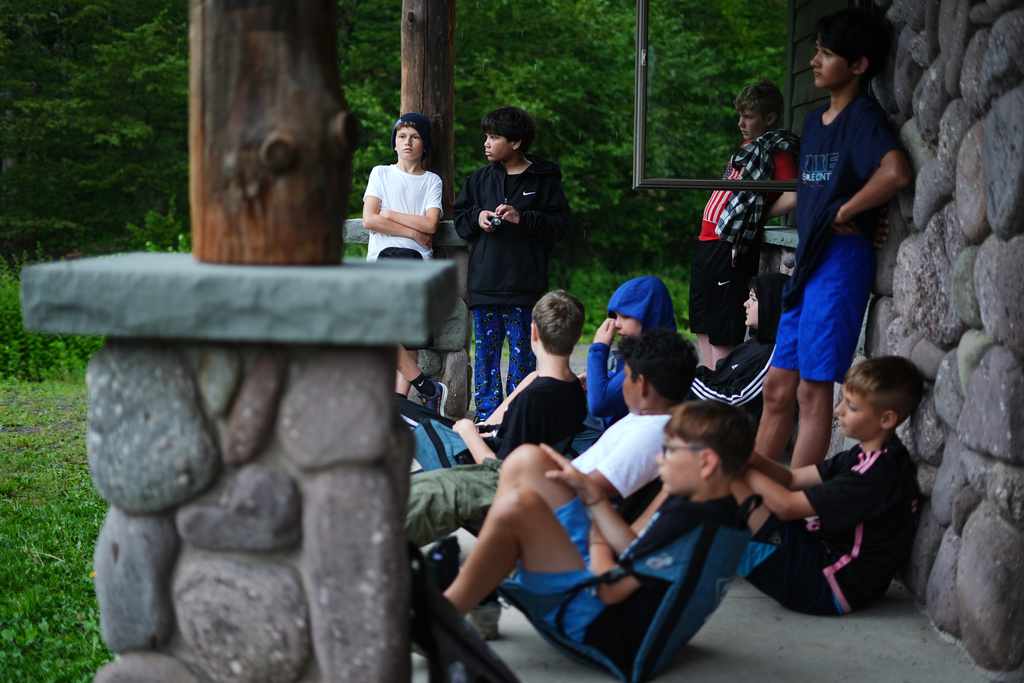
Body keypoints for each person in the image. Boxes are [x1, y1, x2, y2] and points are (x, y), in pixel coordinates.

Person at [442, 401, 753, 668]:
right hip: (613, 596)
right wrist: (592, 498)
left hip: (600, 629)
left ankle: (441, 618)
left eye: (669, 451)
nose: (659, 459)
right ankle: (482, 585)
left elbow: (609, 591)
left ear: (706, 462)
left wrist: (596, 533)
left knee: (516, 507)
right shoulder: (713, 507)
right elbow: (638, 552)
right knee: (528, 460)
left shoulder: (688, 527)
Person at [756, 9, 912, 469]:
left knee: (812, 390)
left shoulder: (863, 117)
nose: (814, 61)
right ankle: (751, 496)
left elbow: (896, 171)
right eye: (816, 50)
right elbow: (810, 190)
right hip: (807, 264)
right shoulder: (812, 123)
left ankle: (790, 507)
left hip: (841, 264)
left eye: (827, 53)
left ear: (859, 65)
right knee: (777, 387)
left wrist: (847, 209)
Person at [405, 327, 697, 548]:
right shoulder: (648, 420)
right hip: (539, 490)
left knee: (440, 491)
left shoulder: (648, 435)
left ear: (642, 385)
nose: (620, 387)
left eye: (626, 377)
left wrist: (535, 467)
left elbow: (590, 491)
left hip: (544, 506)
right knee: (427, 487)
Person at [732, 356, 924, 615]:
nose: (838, 410)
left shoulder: (875, 476)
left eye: (852, 406)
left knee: (725, 486)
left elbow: (787, 506)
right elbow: (792, 479)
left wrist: (731, 466)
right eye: (843, 399)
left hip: (827, 586)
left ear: (887, 419)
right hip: (825, 557)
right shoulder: (873, 454)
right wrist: (747, 457)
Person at [405, 290, 588, 539]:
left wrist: (470, 433)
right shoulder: (575, 391)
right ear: (577, 336)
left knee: (421, 429)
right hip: (513, 469)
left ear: (533, 332)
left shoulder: (536, 400)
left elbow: (500, 473)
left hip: (489, 483)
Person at [454, 106, 572, 421]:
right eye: (487, 136)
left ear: (516, 142)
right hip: (486, 285)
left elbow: (560, 225)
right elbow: (460, 218)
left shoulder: (544, 179)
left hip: (525, 287)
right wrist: (477, 217)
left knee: (523, 360)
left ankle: (519, 417)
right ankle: (487, 419)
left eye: (494, 137)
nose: (486, 143)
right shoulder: (479, 178)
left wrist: (523, 218)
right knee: (486, 359)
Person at [690, 79, 798, 370]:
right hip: (708, 242)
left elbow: (793, 195)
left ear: (770, 118)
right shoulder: (749, 147)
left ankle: (724, 391)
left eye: (748, 117)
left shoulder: (778, 149)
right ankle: (710, 384)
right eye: (740, 116)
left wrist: (757, 217)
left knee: (723, 325)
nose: (741, 122)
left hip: (730, 246)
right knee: (703, 319)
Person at [362, 113, 448, 414]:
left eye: (414, 136)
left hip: (416, 265)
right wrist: (413, 231)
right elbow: (369, 218)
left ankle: (402, 405)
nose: (407, 142)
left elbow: (432, 224)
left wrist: (390, 215)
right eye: (401, 137)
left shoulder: (431, 180)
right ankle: (427, 387)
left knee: (407, 336)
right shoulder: (381, 174)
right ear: (394, 144)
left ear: (425, 145)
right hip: (382, 263)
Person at [687, 272, 789, 420]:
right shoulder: (754, 344)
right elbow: (717, 377)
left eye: (753, 299)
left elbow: (733, 401)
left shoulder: (772, 355)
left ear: (771, 305)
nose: (745, 303)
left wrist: (685, 380)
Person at [584, 276, 677, 425]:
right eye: (615, 316)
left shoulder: (655, 357)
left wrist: (598, 348)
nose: (616, 324)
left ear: (650, 315)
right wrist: (603, 379)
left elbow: (599, 406)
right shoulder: (650, 347)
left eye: (626, 316)